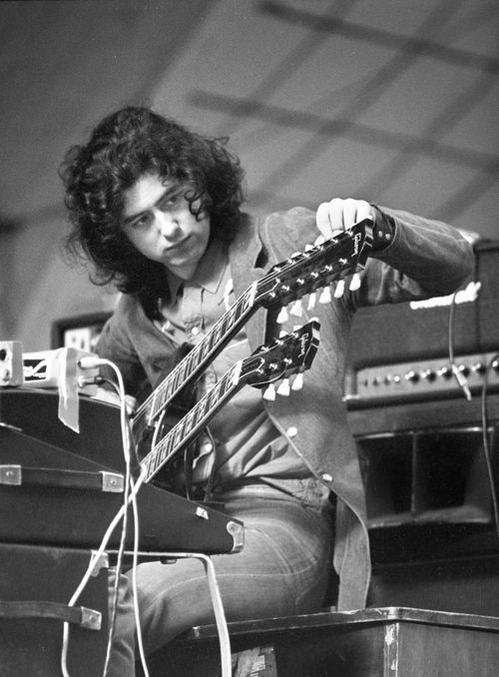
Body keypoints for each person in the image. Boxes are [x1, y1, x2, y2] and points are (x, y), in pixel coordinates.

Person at [60, 105, 474, 675]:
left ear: (200, 182)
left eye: (174, 199)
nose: (169, 229)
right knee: (59, 598)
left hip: (285, 525)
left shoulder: (286, 241)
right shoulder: (138, 314)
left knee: (125, 604)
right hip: (179, 529)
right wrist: (82, 392)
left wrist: (380, 225)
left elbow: (455, 264)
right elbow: (85, 396)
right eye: (141, 221)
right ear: (121, 237)